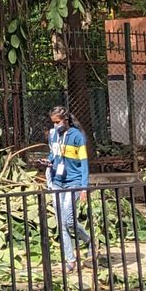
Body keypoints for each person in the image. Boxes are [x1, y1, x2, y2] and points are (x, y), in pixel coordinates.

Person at [45, 105, 92, 272]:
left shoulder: (77, 136)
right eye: (53, 123)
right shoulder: (54, 136)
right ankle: (70, 259)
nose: (55, 125)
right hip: (58, 182)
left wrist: (84, 188)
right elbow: (54, 155)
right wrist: (48, 161)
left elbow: (84, 164)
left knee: (69, 220)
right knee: (61, 223)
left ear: (65, 120)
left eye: (57, 122)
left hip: (74, 182)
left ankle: (88, 239)